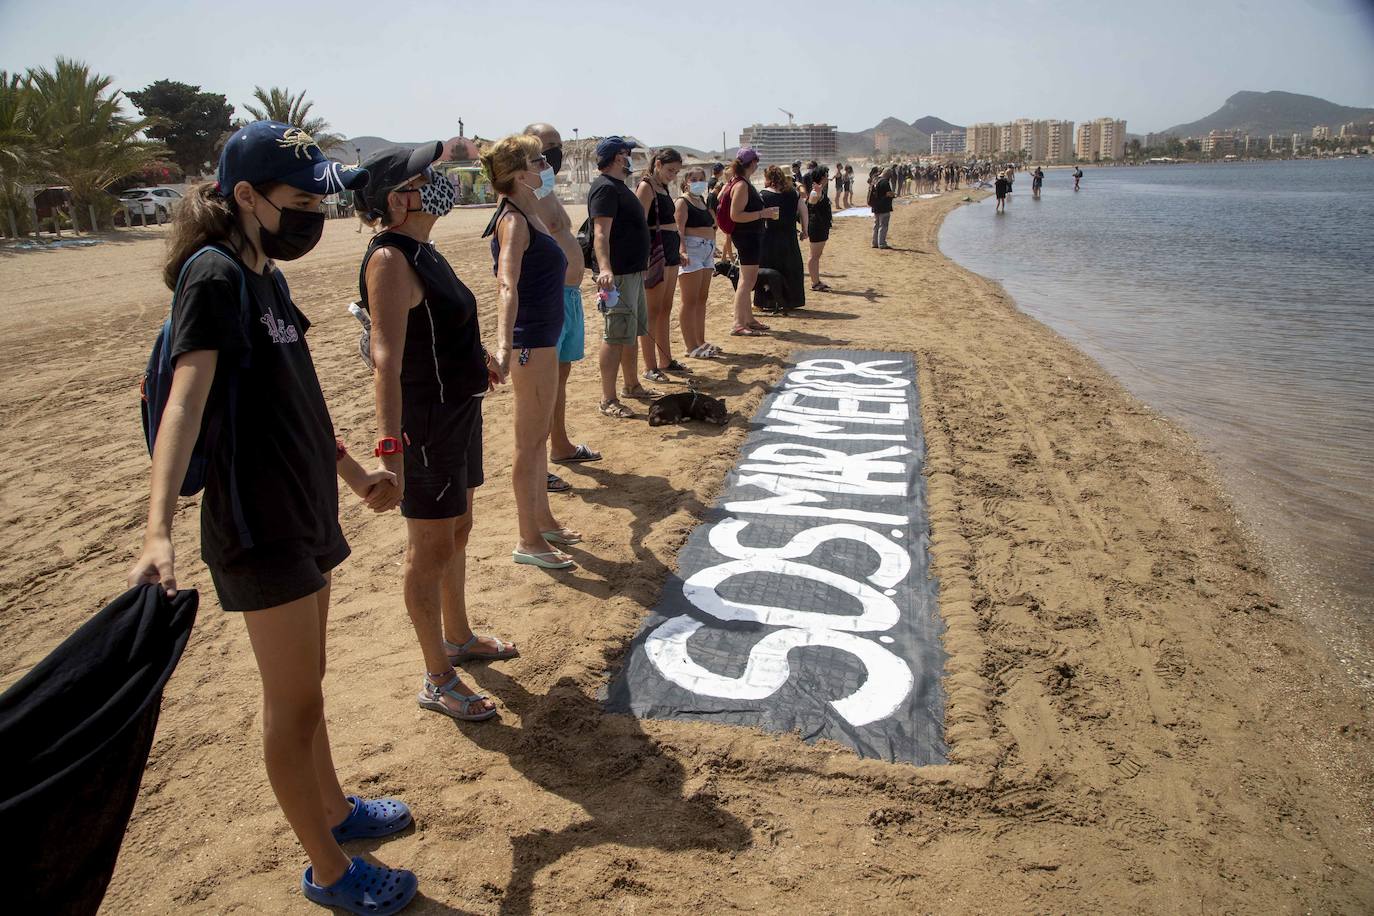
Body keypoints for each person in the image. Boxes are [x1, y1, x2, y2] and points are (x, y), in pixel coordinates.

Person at [128, 120, 420, 913]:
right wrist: (157, 526)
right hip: (255, 525)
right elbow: (187, 398)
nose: (311, 217)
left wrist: (354, 471)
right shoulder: (215, 276)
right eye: (297, 202)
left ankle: (336, 810)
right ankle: (329, 869)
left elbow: (298, 397)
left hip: (303, 510)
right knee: (290, 707)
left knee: (312, 690)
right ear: (246, 197)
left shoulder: (268, 279)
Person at [355, 142, 514, 727]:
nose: (440, 182)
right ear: (398, 199)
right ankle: (437, 677)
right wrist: (389, 449)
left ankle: (458, 637)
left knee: (459, 531)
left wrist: (478, 358)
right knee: (430, 549)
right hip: (423, 425)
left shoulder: (424, 249)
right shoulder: (389, 260)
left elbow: (442, 323)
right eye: (428, 177)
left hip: (458, 414)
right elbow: (386, 360)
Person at [482, 134, 583, 570]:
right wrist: (504, 344)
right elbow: (506, 284)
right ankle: (528, 539)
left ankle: (542, 521)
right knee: (528, 443)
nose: (547, 165)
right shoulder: (514, 222)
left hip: (543, 337)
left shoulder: (529, 212)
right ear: (520, 174)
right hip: (531, 343)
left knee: (538, 438)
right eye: (539, 160)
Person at [522, 122, 602, 485]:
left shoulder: (547, 186)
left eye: (556, 146)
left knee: (561, 377)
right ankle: (538, 467)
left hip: (568, 296)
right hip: (547, 297)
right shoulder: (524, 191)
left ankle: (560, 444)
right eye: (544, 147)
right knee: (540, 385)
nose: (553, 153)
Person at [587, 136, 656, 419]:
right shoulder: (604, 188)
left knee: (631, 332)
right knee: (615, 335)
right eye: (628, 154)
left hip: (632, 271)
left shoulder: (618, 187)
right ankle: (608, 398)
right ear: (618, 157)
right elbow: (600, 233)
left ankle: (632, 385)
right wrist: (605, 269)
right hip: (618, 275)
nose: (631, 159)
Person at [635, 148, 685, 383]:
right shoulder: (646, 186)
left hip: (671, 250)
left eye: (675, 171)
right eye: (669, 170)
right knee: (651, 312)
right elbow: (639, 225)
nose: (672, 175)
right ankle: (650, 366)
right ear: (657, 164)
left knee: (665, 309)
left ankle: (665, 359)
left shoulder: (663, 187)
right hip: (656, 253)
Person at [723, 147, 780, 337]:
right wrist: (762, 214)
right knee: (747, 282)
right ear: (753, 163)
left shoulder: (742, 182)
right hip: (747, 237)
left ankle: (747, 318)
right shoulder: (741, 185)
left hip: (750, 236)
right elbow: (736, 215)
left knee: (747, 280)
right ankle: (738, 323)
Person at [674, 166, 719, 358]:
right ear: (686, 182)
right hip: (692, 250)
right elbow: (679, 229)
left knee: (702, 298)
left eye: (702, 178)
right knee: (689, 300)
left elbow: (712, 224)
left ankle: (700, 341)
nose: (699, 182)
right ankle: (690, 345)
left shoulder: (701, 200)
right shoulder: (682, 202)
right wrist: (682, 251)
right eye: (694, 179)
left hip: (706, 250)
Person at [759, 165, 807, 311]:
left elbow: (759, 216)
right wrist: (805, 230)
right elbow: (804, 211)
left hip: (770, 237)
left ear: (768, 178)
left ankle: (768, 301)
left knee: (770, 270)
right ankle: (791, 300)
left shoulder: (763, 195)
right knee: (791, 268)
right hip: (789, 236)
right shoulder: (793, 193)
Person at [805, 165, 832, 291]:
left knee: (816, 255)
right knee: (814, 256)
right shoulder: (816, 191)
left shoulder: (819, 189)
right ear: (822, 177)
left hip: (820, 226)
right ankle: (815, 283)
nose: (828, 177)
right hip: (817, 226)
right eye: (826, 175)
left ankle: (816, 281)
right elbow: (812, 202)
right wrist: (819, 193)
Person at [869, 166, 895, 249]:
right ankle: (882, 243)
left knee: (876, 225)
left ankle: (874, 242)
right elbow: (889, 193)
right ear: (888, 175)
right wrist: (893, 194)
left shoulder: (875, 180)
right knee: (883, 225)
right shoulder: (885, 182)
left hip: (875, 206)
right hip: (884, 207)